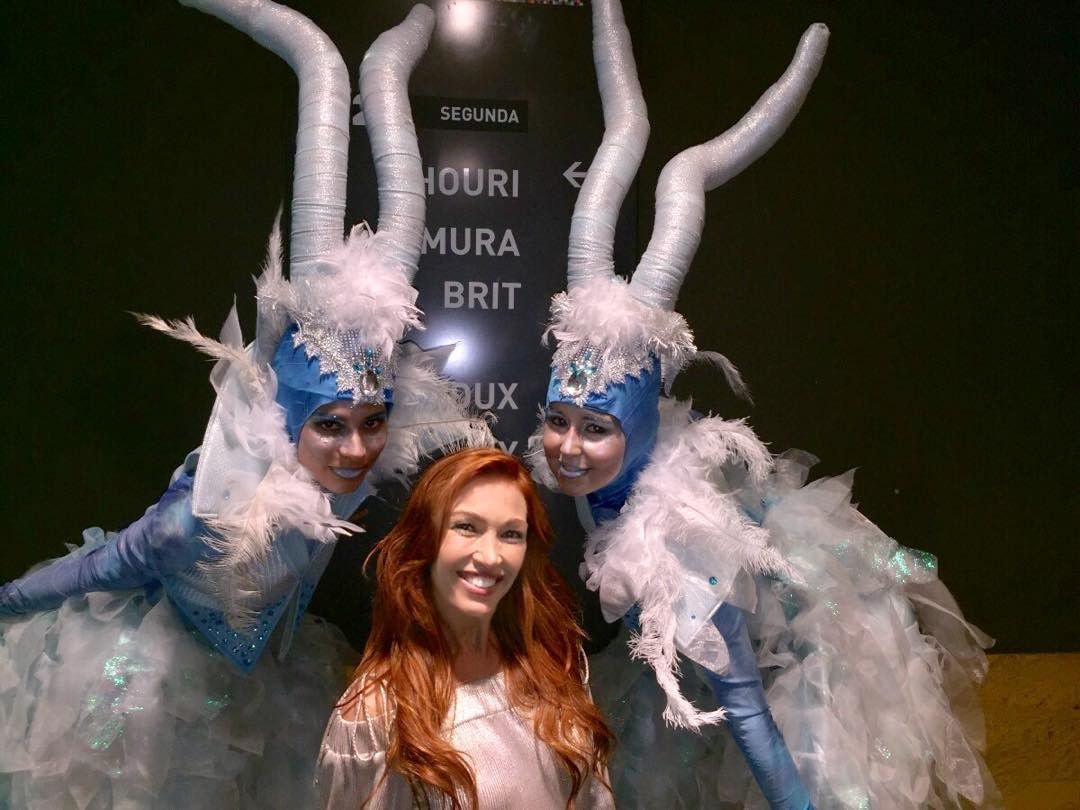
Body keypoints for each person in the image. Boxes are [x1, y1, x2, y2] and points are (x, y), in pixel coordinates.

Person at [0, 4, 487, 808]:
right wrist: (7, 603)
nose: (357, 449)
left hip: (263, 686)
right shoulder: (196, 520)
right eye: (330, 425)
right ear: (287, 420)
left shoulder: (342, 480)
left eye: (372, 423)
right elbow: (96, 568)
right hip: (151, 697)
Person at [528, 2, 997, 808]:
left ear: (637, 426)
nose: (566, 447)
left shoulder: (681, 546)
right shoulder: (602, 473)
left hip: (803, 672)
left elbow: (748, 710)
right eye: (557, 420)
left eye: (595, 428)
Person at [317, 448, 614, 810]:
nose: (490, 556)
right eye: (467, 527)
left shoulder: (557, 660)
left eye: (510, 534)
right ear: (426, 539)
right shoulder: (377, 713)